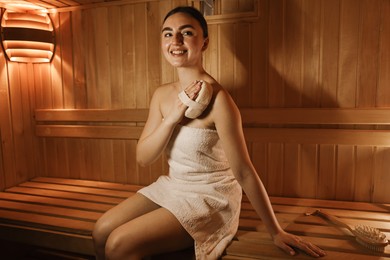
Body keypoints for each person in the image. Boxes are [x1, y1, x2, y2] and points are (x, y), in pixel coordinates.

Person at [92, 6, 326, 260]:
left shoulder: (220, 100)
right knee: (101, 231)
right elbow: (143, 157)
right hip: (174, 186)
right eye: (168, 34)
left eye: (187, 32)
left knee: (118, 244)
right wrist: (171, 118)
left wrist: (276, 231)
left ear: (204, 42)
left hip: (210, 197)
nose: (176, 41)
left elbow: (244, 171)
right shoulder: (161, 95)